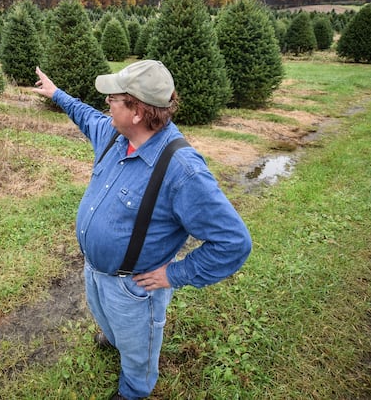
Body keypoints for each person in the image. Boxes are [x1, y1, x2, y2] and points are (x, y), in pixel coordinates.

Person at [32, 60, 252, 400]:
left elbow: (233, 242)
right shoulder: (115, 135)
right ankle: (114, 336)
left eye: (114, 99)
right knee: (104, 316)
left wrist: (174, 274)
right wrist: (57, 94)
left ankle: (134, 389)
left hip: (134, 287)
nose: (106, 103)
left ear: (136, 111)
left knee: (138, 351)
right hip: (95, 271)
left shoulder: (182, 170)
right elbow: (86, 115)